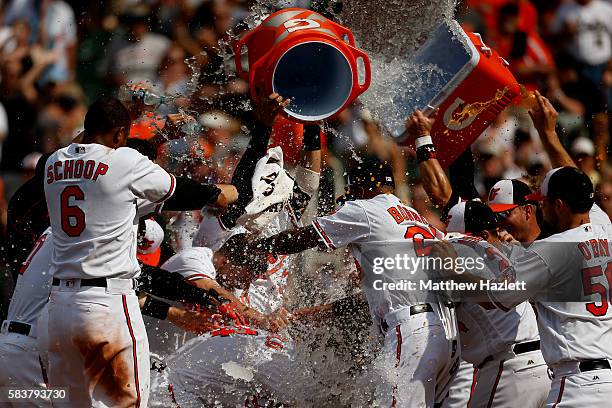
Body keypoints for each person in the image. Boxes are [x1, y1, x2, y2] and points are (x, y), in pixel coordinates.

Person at [241, 153, 459, 407]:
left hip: (411, 331)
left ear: (363, 187)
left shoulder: (367, 208)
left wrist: (257, 245)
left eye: (352, 190)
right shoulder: (415, 216)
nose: (349, 198)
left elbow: (306, 238)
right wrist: (322, 312)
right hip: (445, 333)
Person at [42, 97, 217, 406]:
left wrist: (147, 132)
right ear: (120, 134)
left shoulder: (54, 163)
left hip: (59, 307)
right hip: (107, 303)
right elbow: (175, 189)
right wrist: (218, 195)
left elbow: (88, 152)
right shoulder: (123, 160)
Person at [440, 167, 612, 407]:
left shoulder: (551, 248)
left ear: (560, 204)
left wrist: (454, 271)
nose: (542, 208)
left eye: (545, 202)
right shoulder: (606, 234)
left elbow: (496, 298)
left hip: (576, 384)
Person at [444, 200, 550, 408]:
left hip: (509, 370)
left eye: (458, 240)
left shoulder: (464, 257)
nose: (454, 246)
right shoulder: (509, 255)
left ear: (482, 236)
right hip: (542, 365)